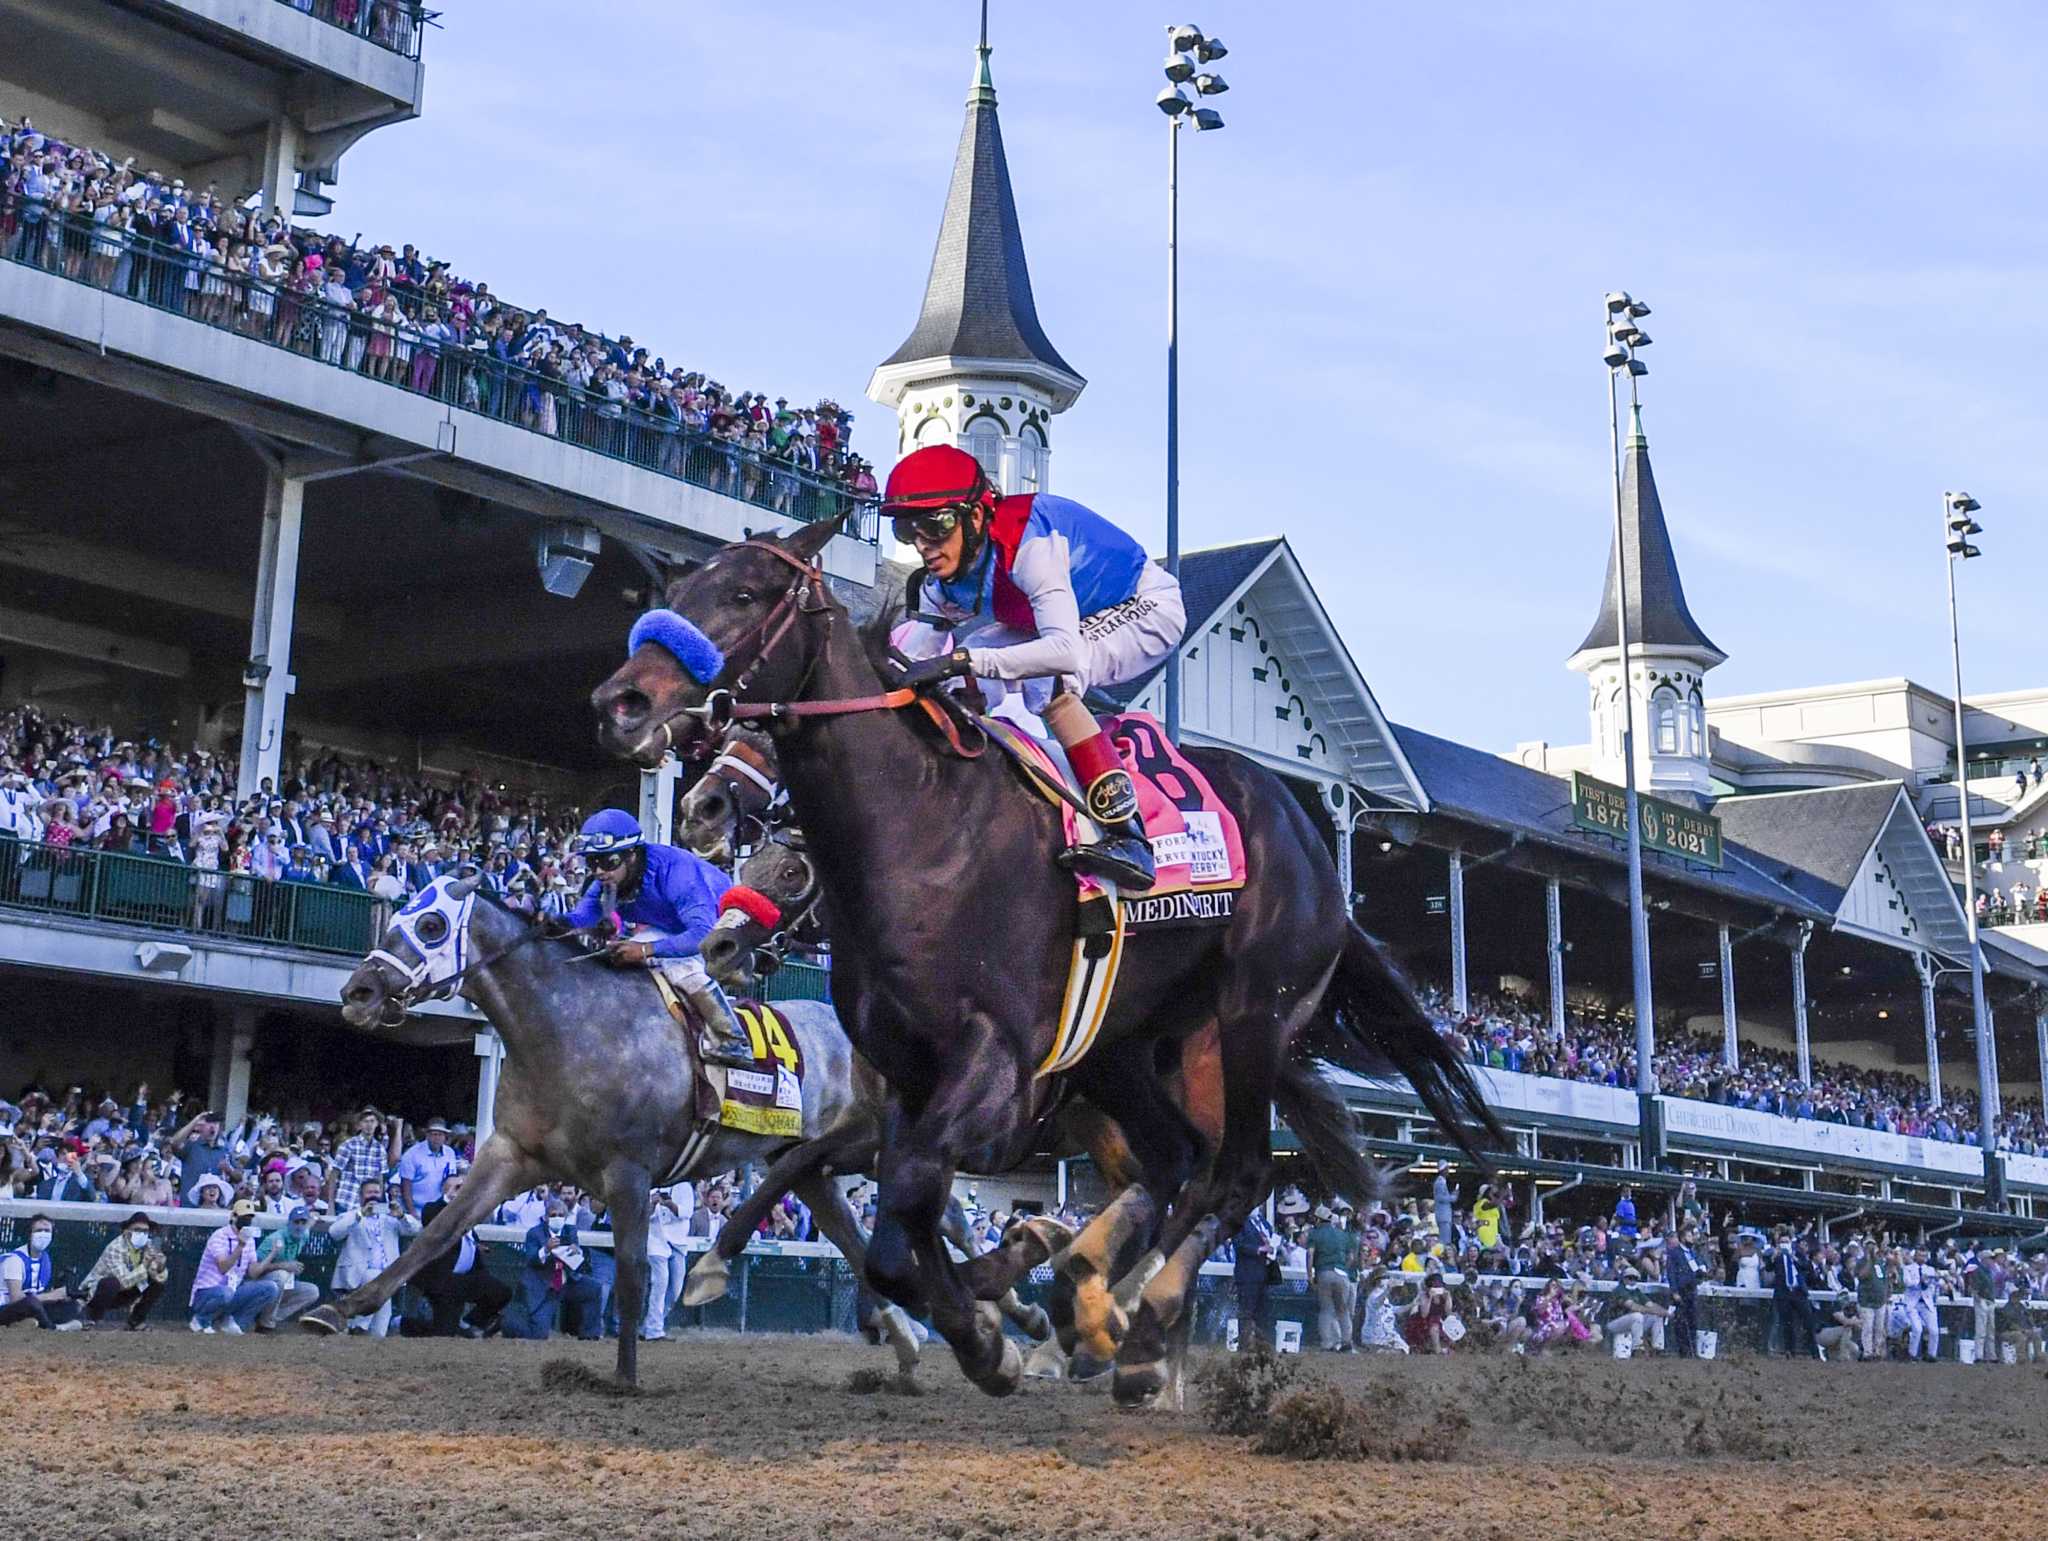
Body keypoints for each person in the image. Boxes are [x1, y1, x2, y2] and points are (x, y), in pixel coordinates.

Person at [884, 443, 1187, 891]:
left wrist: (964, 659)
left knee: (1048, 680)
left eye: (936, 524)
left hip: (1143, 605)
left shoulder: (1030, 545)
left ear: (975, 516)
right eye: (907, 530)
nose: (924, 544)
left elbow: (1063, 650)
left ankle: (1130, 836)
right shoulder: (937, 585)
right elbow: (908, 663)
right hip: (1058, 620)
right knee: (955, 683)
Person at [562, 808, 751, 1067]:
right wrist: (549, 921)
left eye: (608, 861)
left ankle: (733, 1039)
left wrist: (644, 951)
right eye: (592, 862)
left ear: (631, 855)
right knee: (615, 956)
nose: (599, 872)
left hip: (723, 931)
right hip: (673, 928)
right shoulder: (606, 881)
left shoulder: (677, 872)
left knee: (678, 966)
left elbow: (702, 934)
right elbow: (580, 918)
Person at [411, 1174, 512, 1337]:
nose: (461, 1190)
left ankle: (469, 1322)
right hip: (445, 1280)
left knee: (501, 1292)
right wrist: (450, 1196)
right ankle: (406, 1324)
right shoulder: (432, 1208)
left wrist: (476, 1247)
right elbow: (431, 1221)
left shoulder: (467, 1213)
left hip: (469, 1277)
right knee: (443, 1333)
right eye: (456, 1186)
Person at [328, 1177, 421, 1337]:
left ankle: (361, 1330)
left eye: (377, 1192)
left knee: (379, 1331)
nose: (373, 1195)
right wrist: (359, 1214)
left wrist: (401, 1215)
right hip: (359, 1274)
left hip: (387, 1277)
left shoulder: (391, 1218)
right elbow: (334, 1233)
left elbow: (416, 1229)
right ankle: (359, 1326)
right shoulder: (351, 1215)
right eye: (369, 1192)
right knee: (377, 1279)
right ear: (361, 1196)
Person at [189, 1199, 282, 1334]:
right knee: (225, 1293)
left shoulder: (249, 1240)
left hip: (233, 1289)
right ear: (234, 1217)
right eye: (244, 1217)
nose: (247, 1221)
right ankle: (201, 1319)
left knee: (270, 1288)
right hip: (207, 1292)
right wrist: (240, 1246)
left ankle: (233, 1321)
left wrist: (272, 1254)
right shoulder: (219, 1236)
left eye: (249, 1218)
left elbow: (253, 1273)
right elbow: (223, 1268)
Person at [515, 1198, 601, 1340]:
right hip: (544, 1285)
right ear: (546, 1217)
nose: (557, 1218)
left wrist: (577, 1251)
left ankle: (589, 1334)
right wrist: (546, 1249)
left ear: (566, 1217)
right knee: (539, 1334)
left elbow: (578, 1257)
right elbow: (531, 1260)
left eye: (561, 1215)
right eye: (553, 1215)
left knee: (594, 1288)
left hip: (567, 1281)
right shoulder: (534, 1233)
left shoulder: (570, 1230)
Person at [78, 1211, 170, 1329]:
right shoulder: (115, 1248)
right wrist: (145, 1265)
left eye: (145, 1231)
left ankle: (136, 1321)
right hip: (96, 1292)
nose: (142, 1234)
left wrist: (160, 1268)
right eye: (137, 1230)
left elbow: (159, 1278)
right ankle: (91, 1319)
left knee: (158, 1285)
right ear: (127, 1231)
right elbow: (123, 1281)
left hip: (126, 1291)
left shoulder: (148, 1245)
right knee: (111, 1283)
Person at [0, 1215, 82, 1331]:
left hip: (31, 1306)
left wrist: (59, 1296)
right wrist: (51, 1296)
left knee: (72, 1307)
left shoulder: (45, 1258)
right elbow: (16, 1298)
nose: (43, 1234)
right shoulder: (15, 1260)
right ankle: (54, 1328)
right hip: (5, 1307)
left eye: (47, 1231)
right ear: (29, 1234)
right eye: (38, 1231)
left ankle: (28, 1323)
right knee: (32, 1303)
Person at [251, 1205, 322, 1330]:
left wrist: (315, 1216)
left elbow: (310, 1224)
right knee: (281, 1275)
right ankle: (266, 1323)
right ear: (289, 1223)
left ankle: (269, 1317)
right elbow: (253, 1271)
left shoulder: (303, 1234)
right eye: (296, 1222)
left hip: (281, 1286)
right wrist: (283, 1266)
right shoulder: (275, 1239)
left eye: (303, 1222)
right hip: (259, 1286)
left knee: (312, 1291)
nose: (299, 1226)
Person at [1304, 1204, 1357, 1352]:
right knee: (1343, 1310)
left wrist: (1310, 1276)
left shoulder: (1315, 1233)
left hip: (1325, 1272)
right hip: (1342, 1274)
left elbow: (1310, 1254)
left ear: (1318, 1219)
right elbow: (1351, 1256)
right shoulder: (1342, 1234)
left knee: (1327, 1309)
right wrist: (1343, 1268)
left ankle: (1328, 1343)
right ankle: (1347, 1342)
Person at [396, 1118, 464, 1217]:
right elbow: (406, 1187)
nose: (436, 1138)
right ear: (427, 1135)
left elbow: (451, 1181)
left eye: (440, 1134)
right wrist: (413, 1214)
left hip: (441, 1208)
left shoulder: (450, 1153)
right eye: (433, 1134)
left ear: (445, 1136)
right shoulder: (411, 1154)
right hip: (418, 1210)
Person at [1230, 1207, 1277, 1351]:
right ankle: (1244, 1345)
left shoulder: (1264, 1223)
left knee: (1263, 1311)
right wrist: (1259, 1249)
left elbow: (1272, 1239)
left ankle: (1263, 1345)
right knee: (1246, 1311)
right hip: (1247, 1273)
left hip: (1263, 1272)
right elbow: (1239, 1245)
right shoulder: (1240, 1224)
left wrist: (1271, 1249)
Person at [1769, 1231, 1820, 1360]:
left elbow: (1807, 1267)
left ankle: (1814, 1351)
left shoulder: (1798, 1254)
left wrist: (1793, 1257)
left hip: (1798, 1292)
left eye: (1786, 1242)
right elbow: (1768, 1268)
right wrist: (1774, 1257)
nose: (1784, 1244)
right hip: (1784, 1292)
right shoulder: (1776, 1255)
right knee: (1787, 1323)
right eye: (1782, 1242)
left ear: (1791, 1242)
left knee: (1808, 1321)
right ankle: (1789, 1351)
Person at [1602, 1267, 1668, 1357]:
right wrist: (1653, 1311)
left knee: (1656, 1317)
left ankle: (1658, 1348)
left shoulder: (1636, 1291)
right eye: (1630, 1278)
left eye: (1635, 1279)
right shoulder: (1619, 1290)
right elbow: (1632, 1306)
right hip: (1614, 1323)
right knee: (1637, 1315)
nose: (1632, 1281)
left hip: (1632, 1324)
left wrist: (1665, 1312)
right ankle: (1637, 1349)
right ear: (1624, 1278)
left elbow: (1651, 1304)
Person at [1663, 1225, 1705, 1357]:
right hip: (1681, 1290)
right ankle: (1683, 1350)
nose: (1692, 1238)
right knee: (1681, 1322)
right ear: (1682, 1237)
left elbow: (1697, 1268)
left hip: (1691, 1290)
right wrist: (1674, 1291)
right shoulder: (1675, 1252)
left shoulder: (1693, 1253)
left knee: (1693, 1320)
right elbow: (1671, 1273)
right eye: (1689, 1235)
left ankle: (1692, 1349)